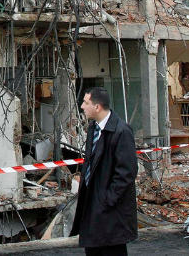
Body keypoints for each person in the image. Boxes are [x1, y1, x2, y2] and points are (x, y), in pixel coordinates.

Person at [71, 87, 138, 256]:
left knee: (111, 249)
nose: (82, 106)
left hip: (109, 209)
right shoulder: (94, 128)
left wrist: (108, 199)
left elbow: (127, 172)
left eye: (86, 103)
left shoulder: (121, 131)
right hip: (92, 203)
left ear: (97, 107)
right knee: (93, 249)